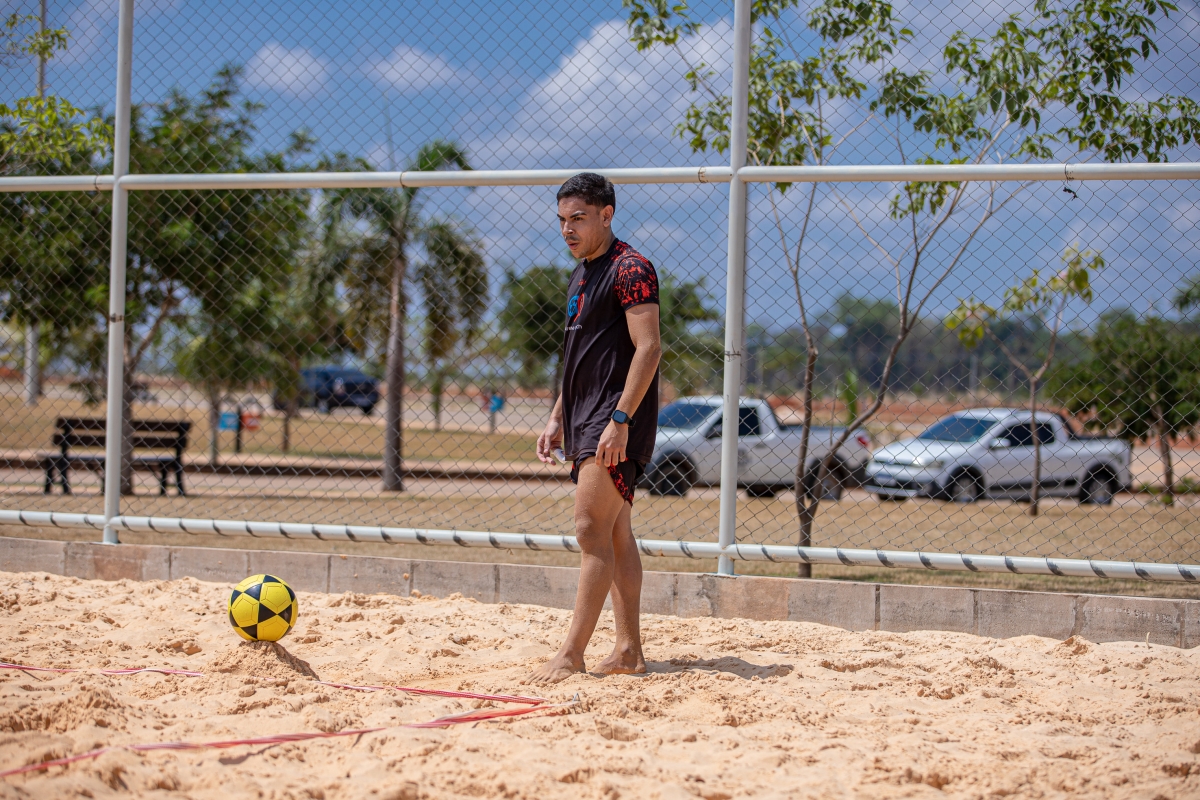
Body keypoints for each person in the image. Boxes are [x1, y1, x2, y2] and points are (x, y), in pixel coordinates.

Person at [526, 172, 661, 685]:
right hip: (584, 416)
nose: (567, 229)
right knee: (615, 533)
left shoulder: (631, 268)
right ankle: (627, 650)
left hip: (614, 417)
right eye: (562, 220)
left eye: (578, 218)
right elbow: (580, 356)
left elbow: (649, 347)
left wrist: (620, 420)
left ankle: (571, 654)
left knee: (588, 528)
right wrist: (558, 415)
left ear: (606, 214)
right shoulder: (582, 273)